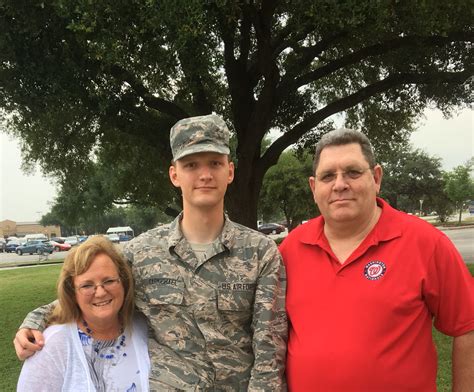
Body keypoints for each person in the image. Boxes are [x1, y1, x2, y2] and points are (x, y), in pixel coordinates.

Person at [14, 114, 287, 391]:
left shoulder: (260, 252)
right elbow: (90, 292)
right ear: (174, 175)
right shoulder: (141, 252)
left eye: (215, 163)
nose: (204, 175)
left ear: (230, 171)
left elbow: (269, 346)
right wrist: (34, 320)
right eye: (191, 164)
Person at [279, 127, 474, 391]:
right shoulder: (291, 248)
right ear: (314, 187)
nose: (339, 184)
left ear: (376, 177)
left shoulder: (424, 243)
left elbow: (468, 327)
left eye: (353, 172)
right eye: (328, 176)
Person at [17, 236, 150, 391]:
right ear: (72, 292)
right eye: (87, 285)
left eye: (109, 281)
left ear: (123, 282)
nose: (100, 292)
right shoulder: (52, 346)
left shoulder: (142, 327)